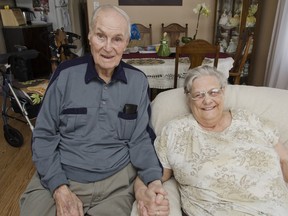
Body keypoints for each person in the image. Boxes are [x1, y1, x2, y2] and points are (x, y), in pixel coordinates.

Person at [19, 5, 168, 216]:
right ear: (89, 37)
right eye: (101, 36)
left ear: (126, 42)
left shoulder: (137, 81)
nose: (108, 47)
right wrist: (59, 187)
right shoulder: (65, 75)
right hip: (64, 176)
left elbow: (140, 139)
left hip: (116, 184)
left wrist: (153, 181)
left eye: (117, 39)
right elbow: (43, 135)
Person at [136, 65, 288, 215]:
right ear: (189, 99)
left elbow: (284, 160)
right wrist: (143, 193)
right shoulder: (176, 131)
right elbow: (148, 174)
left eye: (213, 92)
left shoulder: (250, 119)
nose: (207, 100)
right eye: (199, 95)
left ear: (223, 92)